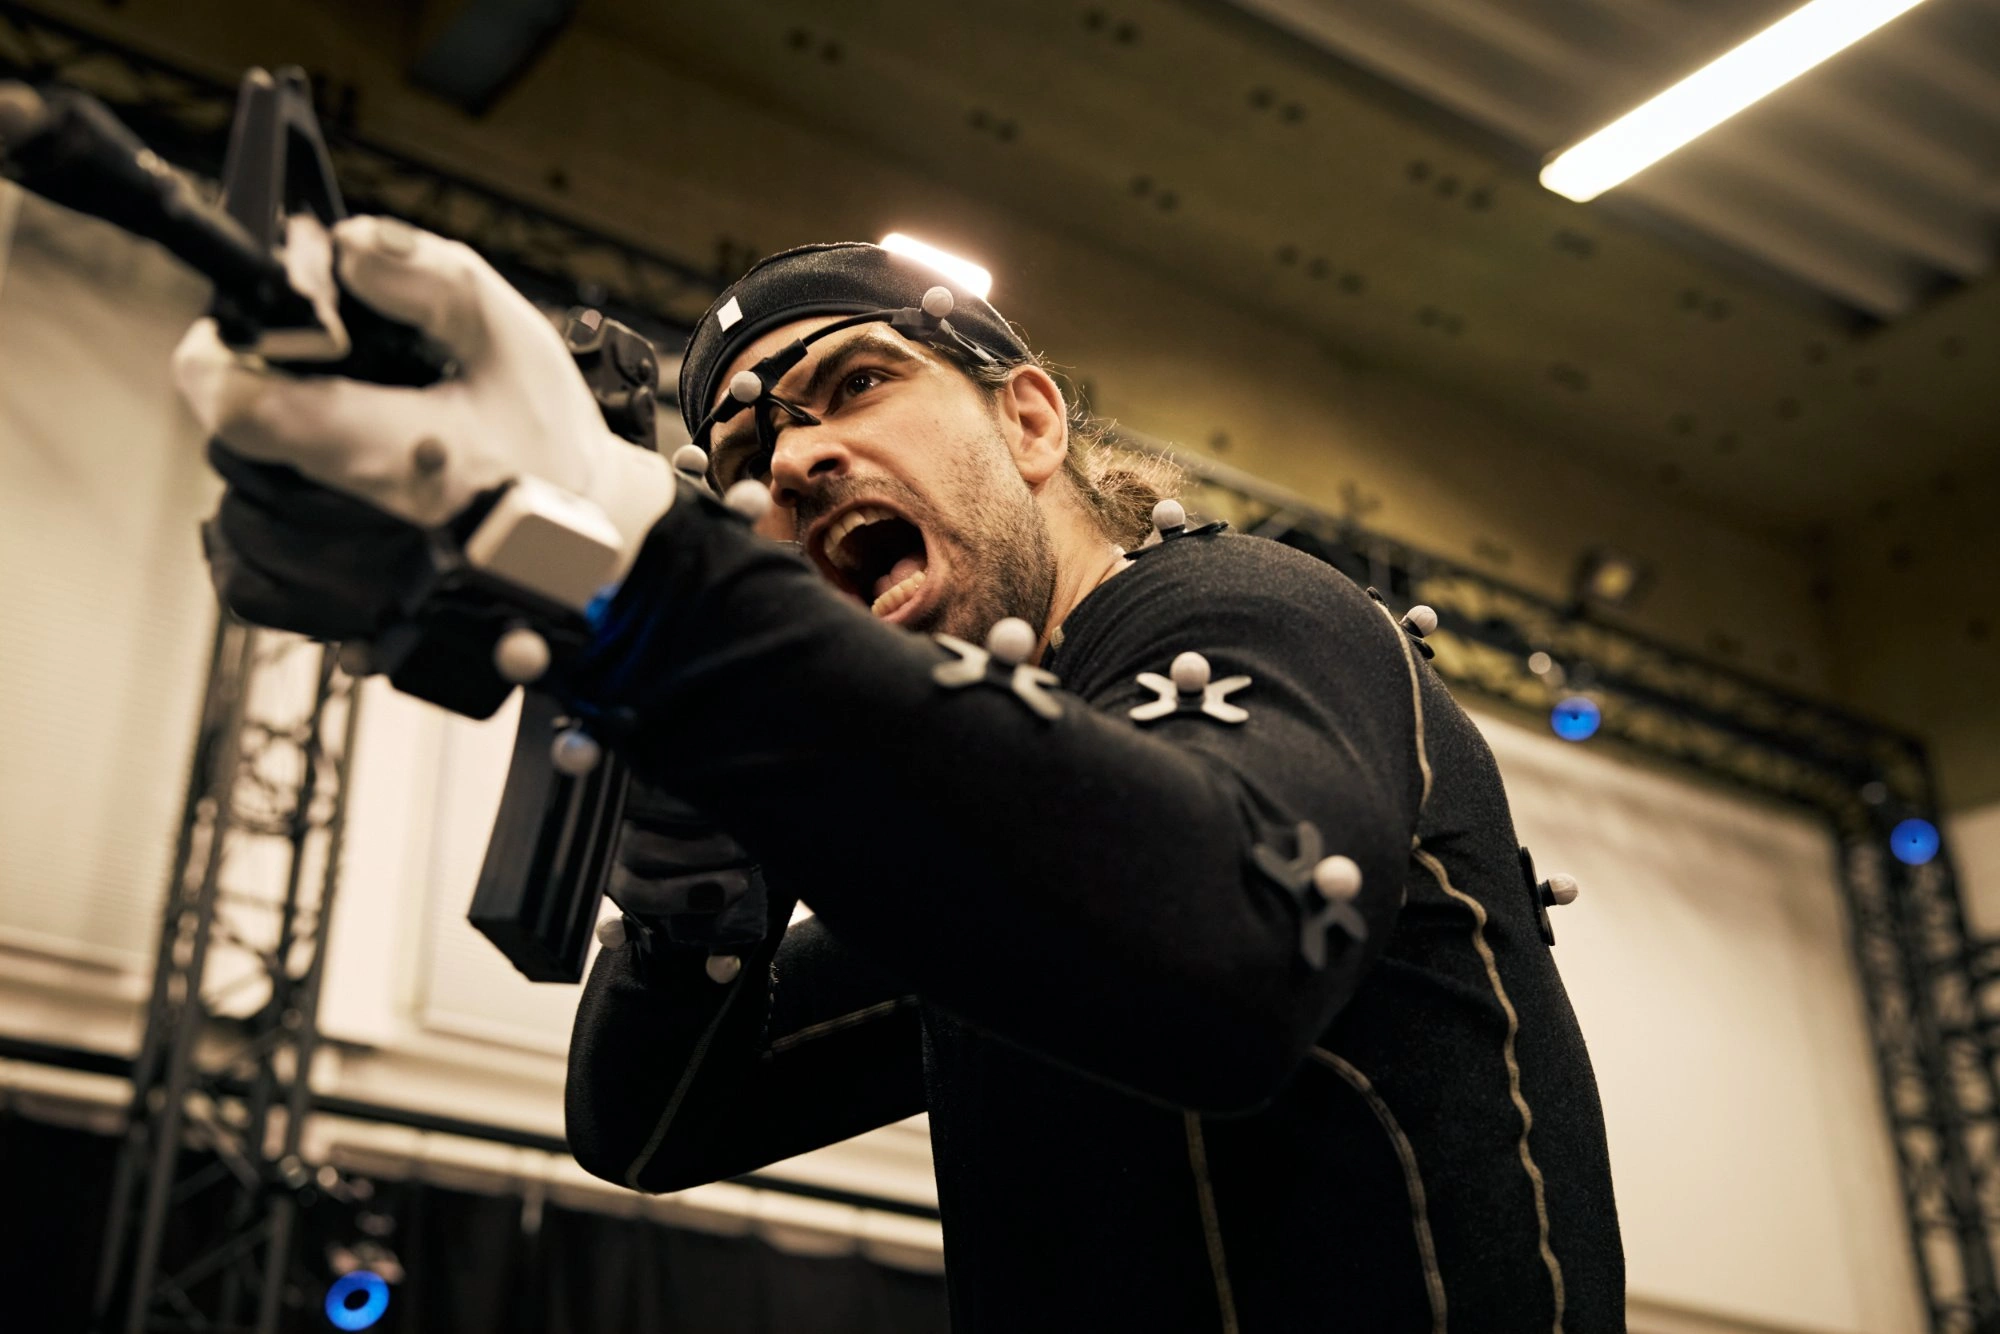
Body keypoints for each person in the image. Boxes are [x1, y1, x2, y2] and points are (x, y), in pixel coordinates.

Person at [175, 216, 1625, 1331]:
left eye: (851, 384)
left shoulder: (1247, 608)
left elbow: (1232, 939)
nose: (794, 456)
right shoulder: (998, 840)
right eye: (743, 443)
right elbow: (654, 1126)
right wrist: (694, 919)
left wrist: (641, 569)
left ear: (1033, 419)